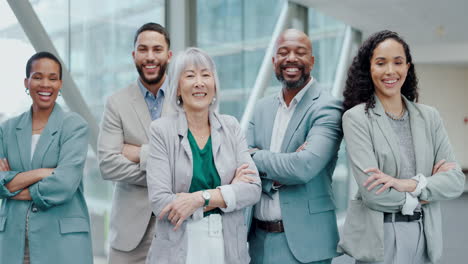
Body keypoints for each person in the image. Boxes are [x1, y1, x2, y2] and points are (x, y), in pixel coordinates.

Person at [338, 30, 465, 264]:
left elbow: (456, 181)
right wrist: (427, 189)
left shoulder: (429, 117)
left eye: (398, 62)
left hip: (425, 235)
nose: (390, 71)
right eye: (380, 63)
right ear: (369, 68)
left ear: (408, 66)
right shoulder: (356, 119)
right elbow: (373, 194)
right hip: (382, 237)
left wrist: (408, 184)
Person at [146, 47, 261, 264]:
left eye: (206, 75)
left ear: (215, 86)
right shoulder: (161, 131)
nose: (199, 82)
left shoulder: (231, 126)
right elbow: (160, 202)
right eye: (190, 75)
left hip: (228, 247)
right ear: (178, 88)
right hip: (178, 246)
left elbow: (253, 188)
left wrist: (198, 198)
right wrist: (228, 194)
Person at [247, 29, 343, 264]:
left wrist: (256, 158)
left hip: (307, 245)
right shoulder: (261, 108)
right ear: (273, 61)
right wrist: (282, 169)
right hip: (258, 242)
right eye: (283, 52)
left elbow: (303, 167)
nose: (291, 58)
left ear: (312, 61)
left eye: (300, 52)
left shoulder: (328, 107)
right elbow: (237, 161)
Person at [0, 51, 92, 263]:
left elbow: (64, 184)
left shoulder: (74, 126)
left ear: (60, 84)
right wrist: (42, 173)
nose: (45, 84)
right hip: (13, 242)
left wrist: (12, 186)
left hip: (60, 243)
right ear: (27, 81)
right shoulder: (7, 129)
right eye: (38, 77)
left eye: (52, 78)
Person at [97, 22, 172, 263]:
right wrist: (167, 168)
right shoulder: (116, 103)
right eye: (143, 49)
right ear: (134, 55)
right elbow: (107, 164)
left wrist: (139, 153)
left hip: (177, 225)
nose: (150, 57)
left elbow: (192, 159)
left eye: (157, 49)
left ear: (169, 55)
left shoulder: (186, 98)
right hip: (128, 237)